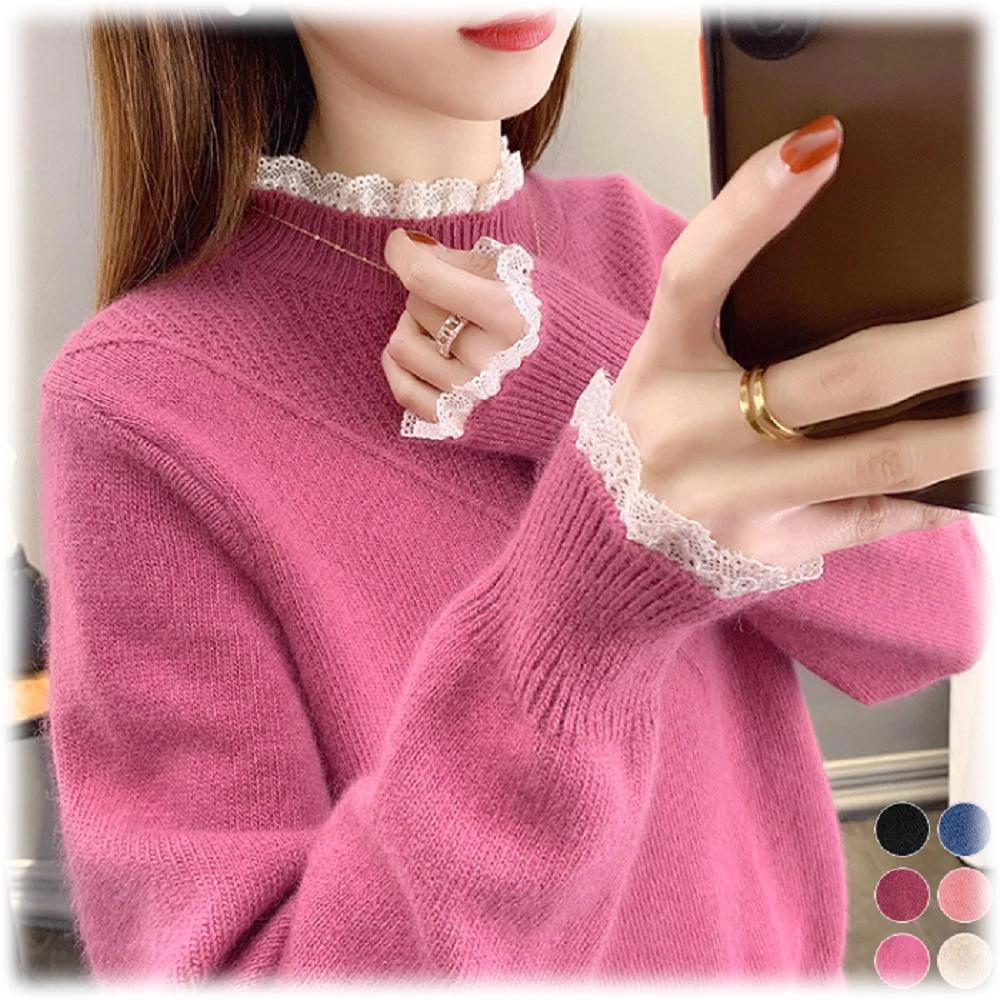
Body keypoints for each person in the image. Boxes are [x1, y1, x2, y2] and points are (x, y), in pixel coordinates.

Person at [36, 5, 988, 985]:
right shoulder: (139, 409)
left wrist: (589, 388)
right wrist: (594, 585)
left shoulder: (655, 254)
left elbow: (939, 615)